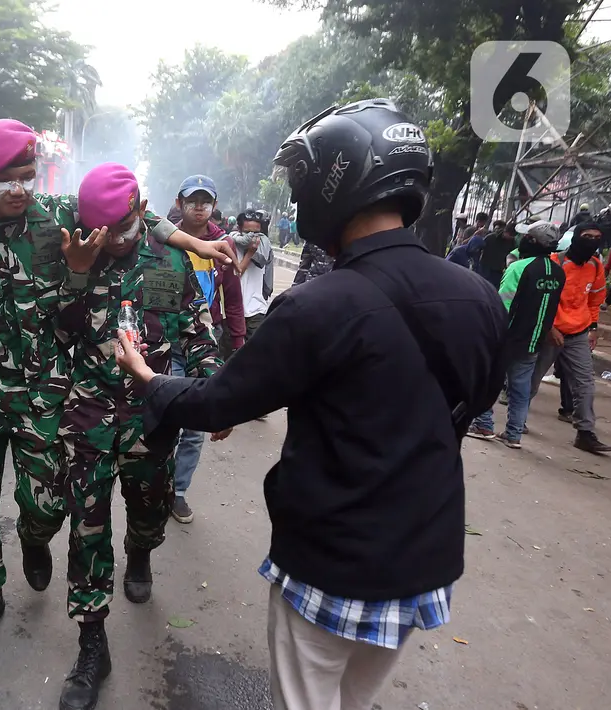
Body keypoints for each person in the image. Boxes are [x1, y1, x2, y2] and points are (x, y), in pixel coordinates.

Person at [116, 98, 505, 710]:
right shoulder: (481, 297)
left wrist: (147, 378)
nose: (297, 207)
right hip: (423, 562)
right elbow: (477, 399)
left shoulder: (317, 306)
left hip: (331, 563)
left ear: (337, 183)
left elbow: (221, 401)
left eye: (303, 187)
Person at [0, 118, 232, 625]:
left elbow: (130, 214)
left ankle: (35, 540)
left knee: (46, 505)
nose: (19, 189)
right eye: (7, 180)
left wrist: (191, 244)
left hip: (45, 390)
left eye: (27, 175)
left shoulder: (57, 217)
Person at [54, 164, 221, 710]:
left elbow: (196, 331)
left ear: (141, 211)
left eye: (124, 230)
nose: (115, 242)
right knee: (86, 527)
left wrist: (216, 393)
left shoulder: (169, 259)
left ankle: (142, 552)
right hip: (89, 415)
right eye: (104, 232)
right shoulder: (78, 253)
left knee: (148, 511)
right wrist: (77, 276)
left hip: (152, 416)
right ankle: (91, 644)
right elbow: (57, 331)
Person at [170, 174, 238, 523]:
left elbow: (234, 302)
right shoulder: (161, 240)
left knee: (195, 428)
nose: (199, 207)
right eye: (192, 200)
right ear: (179, 203)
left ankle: (178, 492)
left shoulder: (224, 246)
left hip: (204, 341)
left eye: (205, 201)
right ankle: (158, 485)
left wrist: (237, 347)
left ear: (213, 205)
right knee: (166, 419)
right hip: (168, 342)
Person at [466, 221, 565, 446]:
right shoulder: (557, 273)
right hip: (534, 341)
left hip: (509, 338)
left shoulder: (518, 268)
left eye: (525, 236)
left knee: (490, 380)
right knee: (520, 388)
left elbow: (503, 305)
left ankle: (483, 425)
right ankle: (514, 434)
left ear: (532, 241)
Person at [528, 220, 611, 454]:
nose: (593, 242)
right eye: (588, 236)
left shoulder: (595, 267)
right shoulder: (555, 262)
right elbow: (541, 298)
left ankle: (585, 432)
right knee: (533, 378)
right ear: (576, 237)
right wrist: (549, 328)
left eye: (597, 238)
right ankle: (517, 421)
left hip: (578, 333)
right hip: (551, 332)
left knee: (585, 382)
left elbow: (595, 301)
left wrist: (593, 327)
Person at [232, 209, 273, 341]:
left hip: (257, 309)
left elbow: (267, 270)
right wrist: (249, 253)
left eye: (256, 232)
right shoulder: (231, 245)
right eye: (248, 232)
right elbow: (234, 276)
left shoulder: (264, 245)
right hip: (233, 310)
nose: (252, 236)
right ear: (239, 229)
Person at [477, 220, 517, 288]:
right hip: (486, 268)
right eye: (510, 236)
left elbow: (511, 254)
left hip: (499, 270)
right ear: (506, 232)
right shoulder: (490, 238)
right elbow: (479, 249)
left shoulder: (511, 242)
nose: (510, 238)